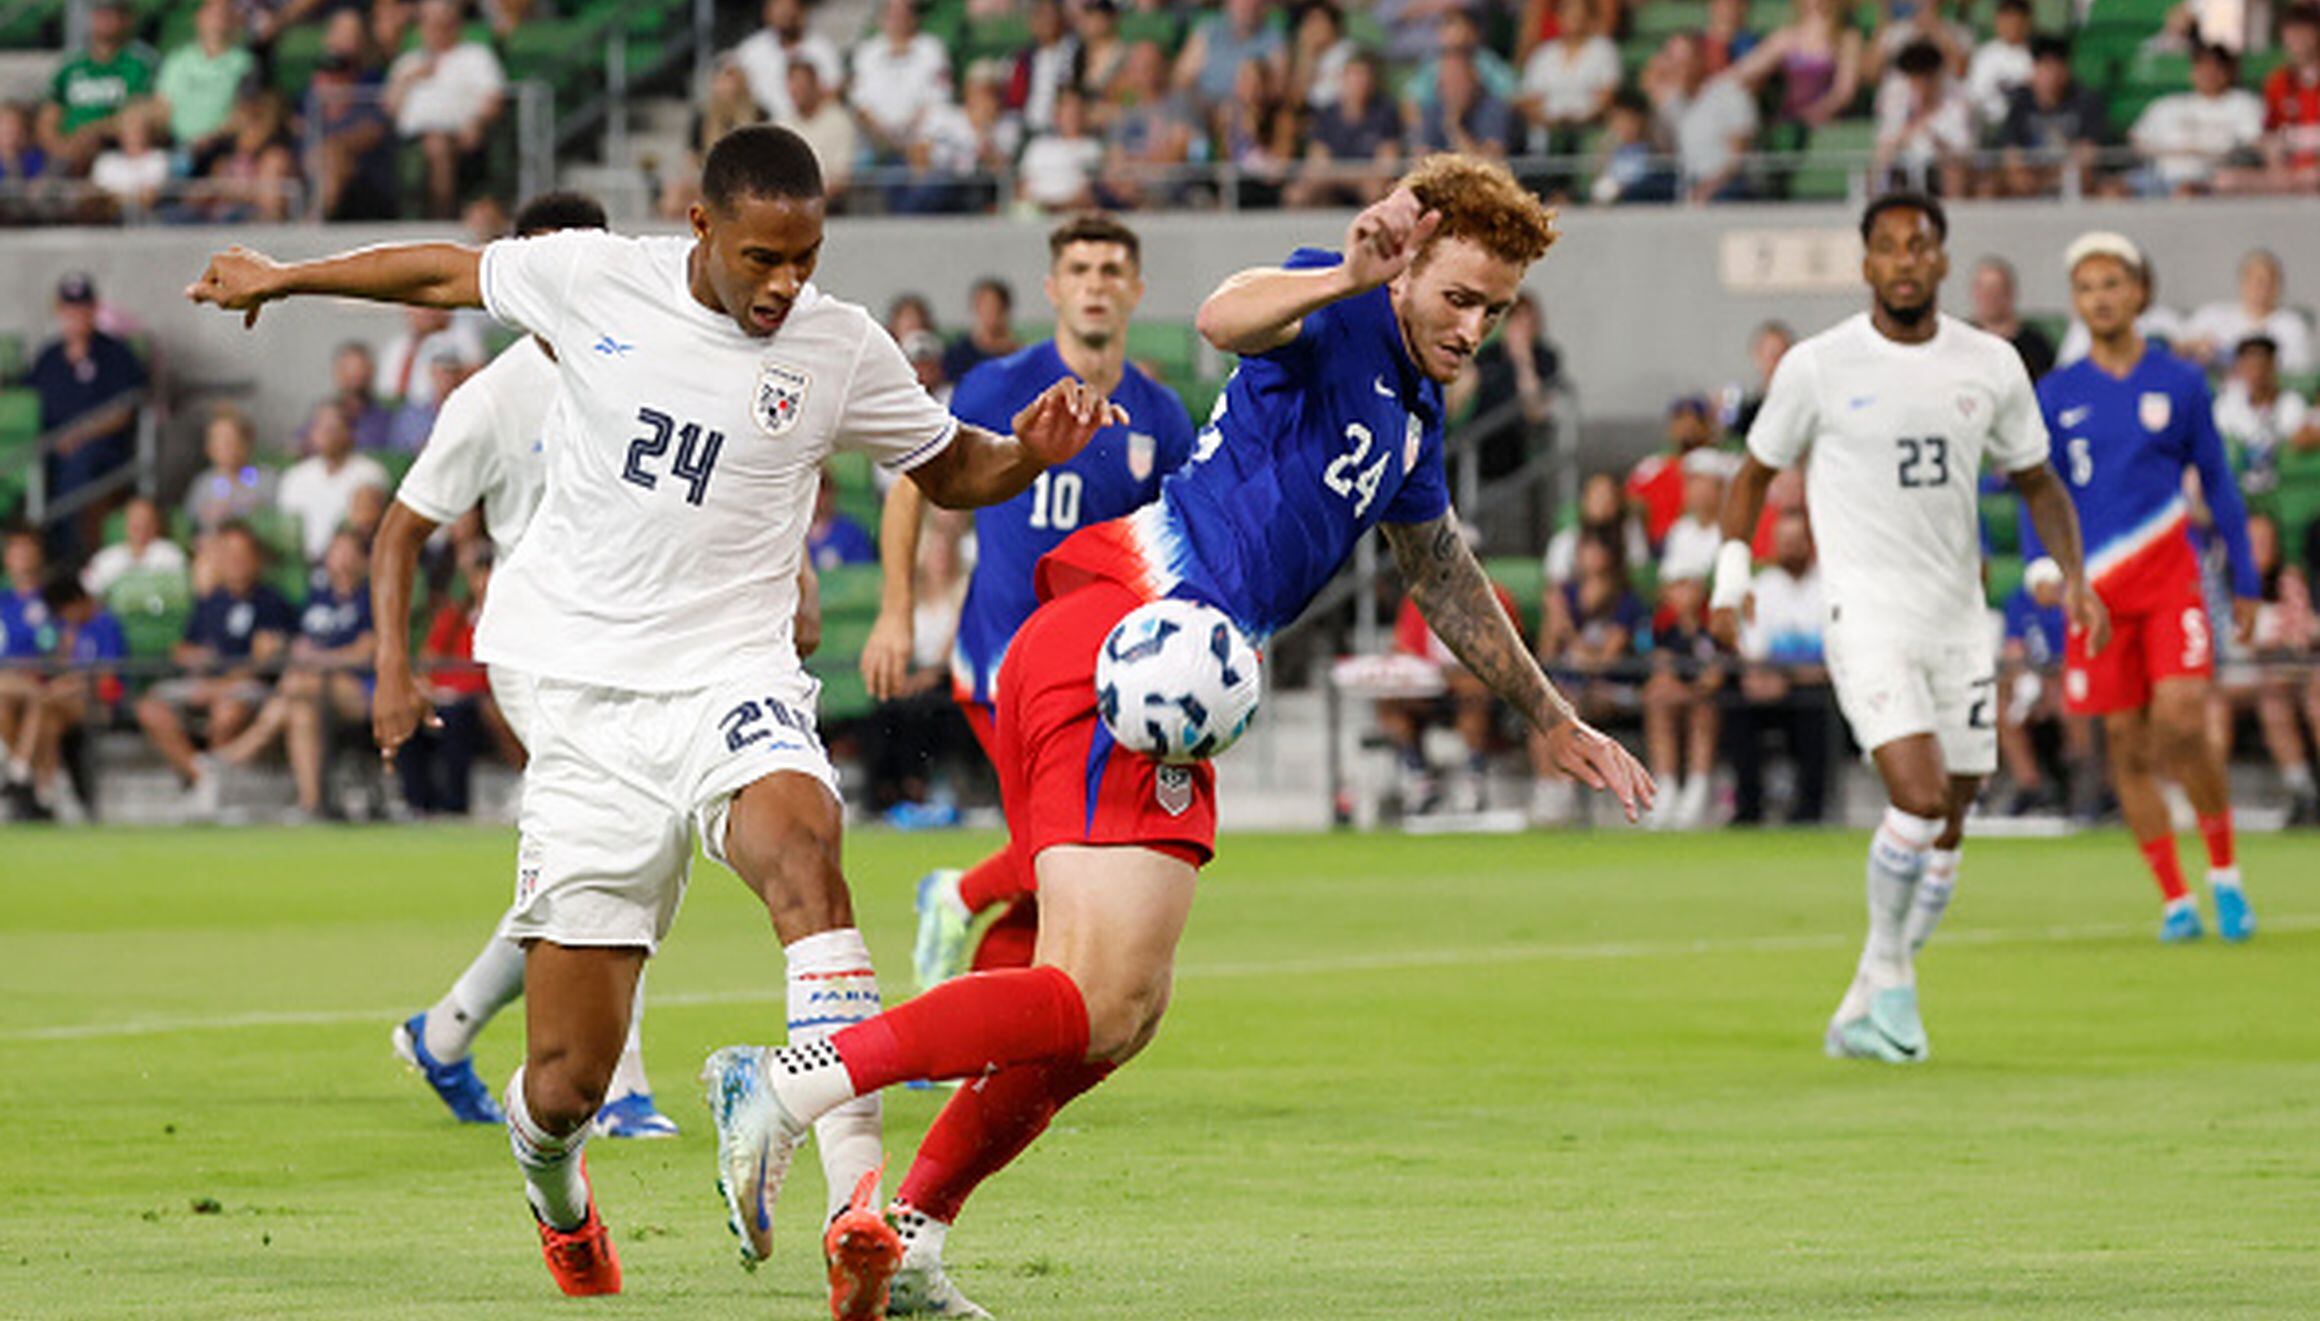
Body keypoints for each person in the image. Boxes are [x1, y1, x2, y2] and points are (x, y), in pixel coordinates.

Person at [701, 157, 1652, 1319]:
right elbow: (1222, 317)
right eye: (1457, 297)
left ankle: (910, 1234)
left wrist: (1552, 716)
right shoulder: (1338, 306)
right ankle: (791, 1080)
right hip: (1132, 637)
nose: (1472, 327)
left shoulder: (1414, 412)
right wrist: (1346, 271)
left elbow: (1441, 569)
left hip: (1153, 670)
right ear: (1406, 267)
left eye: (1493, 310)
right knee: (1094, 996)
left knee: (1119, 1016)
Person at [188, 124, 1116, 1302]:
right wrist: (285, 277)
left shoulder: (838, 343)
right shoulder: (595, 276)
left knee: (807, 855)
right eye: (762, 257)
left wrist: (1025, 454)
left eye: (806, 258)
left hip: (732, 676)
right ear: (701, 227)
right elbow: (440, 269)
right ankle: (555, 1189)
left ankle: (857, 1211)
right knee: (567, 1081)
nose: (785, 284)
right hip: (586, 707)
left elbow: (950, 468)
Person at [1709, 192, 2102, 1064]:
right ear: (1866, 264)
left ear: (1942, 259)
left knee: (1951, 820)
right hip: (1867, 612)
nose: (1904, 260)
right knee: (1918, 798)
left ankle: (1864, 1001)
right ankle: (1892, 983)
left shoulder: (1990, 363)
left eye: (1919, 245)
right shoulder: (1818, 366)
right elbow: (1753, 474)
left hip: (1958, 617)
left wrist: (2074, 576)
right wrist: (1732, 578)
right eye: (1887, 246)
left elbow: (2038, 480)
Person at [366, 192, 689, 1138]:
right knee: (616, 845)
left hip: (634, 638)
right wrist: (393, 665)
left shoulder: (647, 361)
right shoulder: (491, 399)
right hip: (534, 645)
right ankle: (620, 1088)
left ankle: (445, 1031)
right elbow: (399, 532)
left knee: (619, 855)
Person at [865, 212, 1195, 1003]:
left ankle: (976, 984)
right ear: (1052, 288)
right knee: (1062, 848)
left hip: (1102, 677)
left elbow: (1178, 544)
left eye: (1111, 271)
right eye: (1079, 270)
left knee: (1066, 869)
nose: (1095, 285)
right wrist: (895, 610)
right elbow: (913, 485)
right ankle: (965, 922)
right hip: (1002, 665)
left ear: (1136, 289)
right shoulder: (998, 387)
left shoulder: (1162, 416)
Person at [2029, 231, 2261, 943]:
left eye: (2112, 284)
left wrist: (2245, 576)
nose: (2100, 298)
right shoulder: (2055, 393)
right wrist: (2043, 567)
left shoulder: (2180, 383)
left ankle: (2225, 875)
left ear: (2139, 293)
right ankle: (2175, 900)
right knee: (2125, 743)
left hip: (2169, 580)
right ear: (2075, 302)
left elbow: (2217, 480)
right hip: (2094, 596)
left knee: (2182, 721)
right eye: (2086, 288)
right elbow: (2037, 491)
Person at [208, 528, 375, 820]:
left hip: (363, 690)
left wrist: (318, 660)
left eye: (349, 553)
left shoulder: (372, 597)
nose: (342, 561)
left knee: (299, 682)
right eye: (336, 552)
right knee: (301, 712)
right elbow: (301, 641)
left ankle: (239, 752)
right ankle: (311, 805)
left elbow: (366, 653)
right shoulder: (318, 597)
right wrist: (281, 645)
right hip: (312, 691)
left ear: (365, 560)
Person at [134, 522, 297, 818]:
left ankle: (212, 792)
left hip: (245, 688)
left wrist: (222, 684)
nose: (236, 562)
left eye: (242, 554)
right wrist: (193, 657)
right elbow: (182, 648)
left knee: (227, 712)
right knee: (149, 707)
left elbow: (263, 663)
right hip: (204, 683)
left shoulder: (273, 603)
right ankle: (205, 779)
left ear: (256, 559)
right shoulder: (209, 602)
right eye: (229, 554)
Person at [27, 273, 148, 564]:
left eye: (82, 308)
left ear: (94, 309)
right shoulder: (49, 357)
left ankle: (68, 557)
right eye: (69, 309)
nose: (76, 316)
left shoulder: (116, 354)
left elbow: (124, 410)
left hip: (102, 451)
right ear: (59, 311)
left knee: (81, 466)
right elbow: (28, 399)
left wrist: (81, 434)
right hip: (50, 450)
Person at [1721, 508, 1831, 825]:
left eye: (1797, 541)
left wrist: (1790, 676)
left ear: (1811, 543)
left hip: (1815, 689)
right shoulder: (1762, 586)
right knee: (1737, 705)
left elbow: (1836, 656)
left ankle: (1809, 812)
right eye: (1784, 541)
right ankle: (1748, 809)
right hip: (1771, 685)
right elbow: (1753, 648)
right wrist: (1763, 677)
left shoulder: (1830, 585)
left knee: (1814, 710)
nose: (1790, 548)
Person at [384, 0, 506, 219]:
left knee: (437, 145)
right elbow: (389, 108)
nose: (437, 31)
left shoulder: (475, 56)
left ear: (456, 25)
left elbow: (494, 98)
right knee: (434, 144)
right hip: (411, 138)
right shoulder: (408, 62)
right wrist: (408, 80)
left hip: (461, 134)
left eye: (443, 24)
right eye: (430, 24)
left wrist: (477, 122)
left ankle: (442, 214)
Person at [2129, 43, 2263, 197]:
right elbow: (2138, 141)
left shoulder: (2244, 103)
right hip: (2159, 176)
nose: (2209, 73)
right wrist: (2176, 153)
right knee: (2114, 190)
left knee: (2187, 192)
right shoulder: (2166, 105)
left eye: (2216, 67)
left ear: (2229, 71)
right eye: (2202, 67)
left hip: (2210, 180)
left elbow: (2251, 144)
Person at [38, 0, 155, 175]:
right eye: (100, 14)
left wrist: (94, 131)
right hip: (67, 150)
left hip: (113, 148)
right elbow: (48, 116)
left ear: (127, 20)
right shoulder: (71, 65)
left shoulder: (140, 63)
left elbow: (137, 116)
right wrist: (61, 147)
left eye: (111, 14)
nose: (105, 20)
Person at [277, 403, 391, 565]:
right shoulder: (294, 476)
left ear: (350, 433)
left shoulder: (370, 472)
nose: (325, 433)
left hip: (352, 562)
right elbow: (286, 531)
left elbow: (365, 527)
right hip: (305, 563)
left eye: (333, 427)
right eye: (319, 426)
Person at [2182, 248, 2314, 376]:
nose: (2262, 289)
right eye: (2257, 281)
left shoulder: (2292, 325)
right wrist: (2194, 349)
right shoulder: (2211, 316)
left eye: (2270, 282)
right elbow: (2177, 351)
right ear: (2242, 282)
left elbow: (2299, 371)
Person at [155, 0, 257, 162]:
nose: (218, 21)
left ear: (234, 21)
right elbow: (162, 106)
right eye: (212, 14)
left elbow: (245, 112)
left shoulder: (245, 64)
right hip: (174, 145)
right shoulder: (177, 60)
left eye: (224, 15)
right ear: (198, 18)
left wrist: (212, 138)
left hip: (222, 147)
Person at [2215, 336, 2313, 501]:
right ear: (2240, 367)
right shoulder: (2227, 404)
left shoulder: (2291, 403)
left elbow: (2299, 442)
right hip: (2237, 491)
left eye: (2262, 364)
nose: (2256, 372)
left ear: (2273, 365)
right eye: (2250, 365)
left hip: (2282, 492)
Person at [731, 0, 845, 124]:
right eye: (777, 8)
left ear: (801, 12)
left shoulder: (822, 48)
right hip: (762, 124)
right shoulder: (751, 49)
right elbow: (730, 77)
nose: (783, 13)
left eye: (787, 8)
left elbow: (834, 91)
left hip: (808, 124)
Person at [81, 494, 187, 599]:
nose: (141, 525)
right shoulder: (107, 557)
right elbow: (92, 587)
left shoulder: (170, 553)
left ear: (156, 524)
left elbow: (179, 590)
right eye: (135, 519)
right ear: (126, 523)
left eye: (146, 520)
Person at [1969, 256, 2055, 381]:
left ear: (2011, 292)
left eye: (1996, 288)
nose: (1988, 295)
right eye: (1982, 288)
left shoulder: (2036, 346)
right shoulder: (1960, 340)